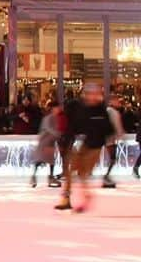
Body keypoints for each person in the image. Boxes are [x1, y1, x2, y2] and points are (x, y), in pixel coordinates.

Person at [57, 84, 112, 213]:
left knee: (83, 174)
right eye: (89, 94)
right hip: (82, 144)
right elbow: (74, 126)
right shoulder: (82, 108)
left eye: (94, 94)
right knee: (70, 170)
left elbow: (109, 129)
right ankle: (66, 198)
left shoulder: (101, 110)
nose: (91, 97)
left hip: (94, 147)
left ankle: (86, 197)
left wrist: (98, 136)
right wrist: (69, 139)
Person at [31, 101, 64, 189]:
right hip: (44, 142)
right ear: (53, 109)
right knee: (41, 160)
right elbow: (48, 128)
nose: (59, 109)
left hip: (50, 142)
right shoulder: (48, 118)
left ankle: (50, 177)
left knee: (51, 160)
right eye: (57, 107)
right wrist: (58, 134)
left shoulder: (56, 118)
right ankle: (34, 176)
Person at [102, 95, 125, 189]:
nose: (119, 103)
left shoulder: (106, 111)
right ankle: (106, 177)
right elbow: (117, 126)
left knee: (112, 158)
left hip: (106, 138)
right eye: (118, 101)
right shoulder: (113, 112)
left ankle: (106, 176)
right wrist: (120, 135)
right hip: (110, 138)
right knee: (113, 158)